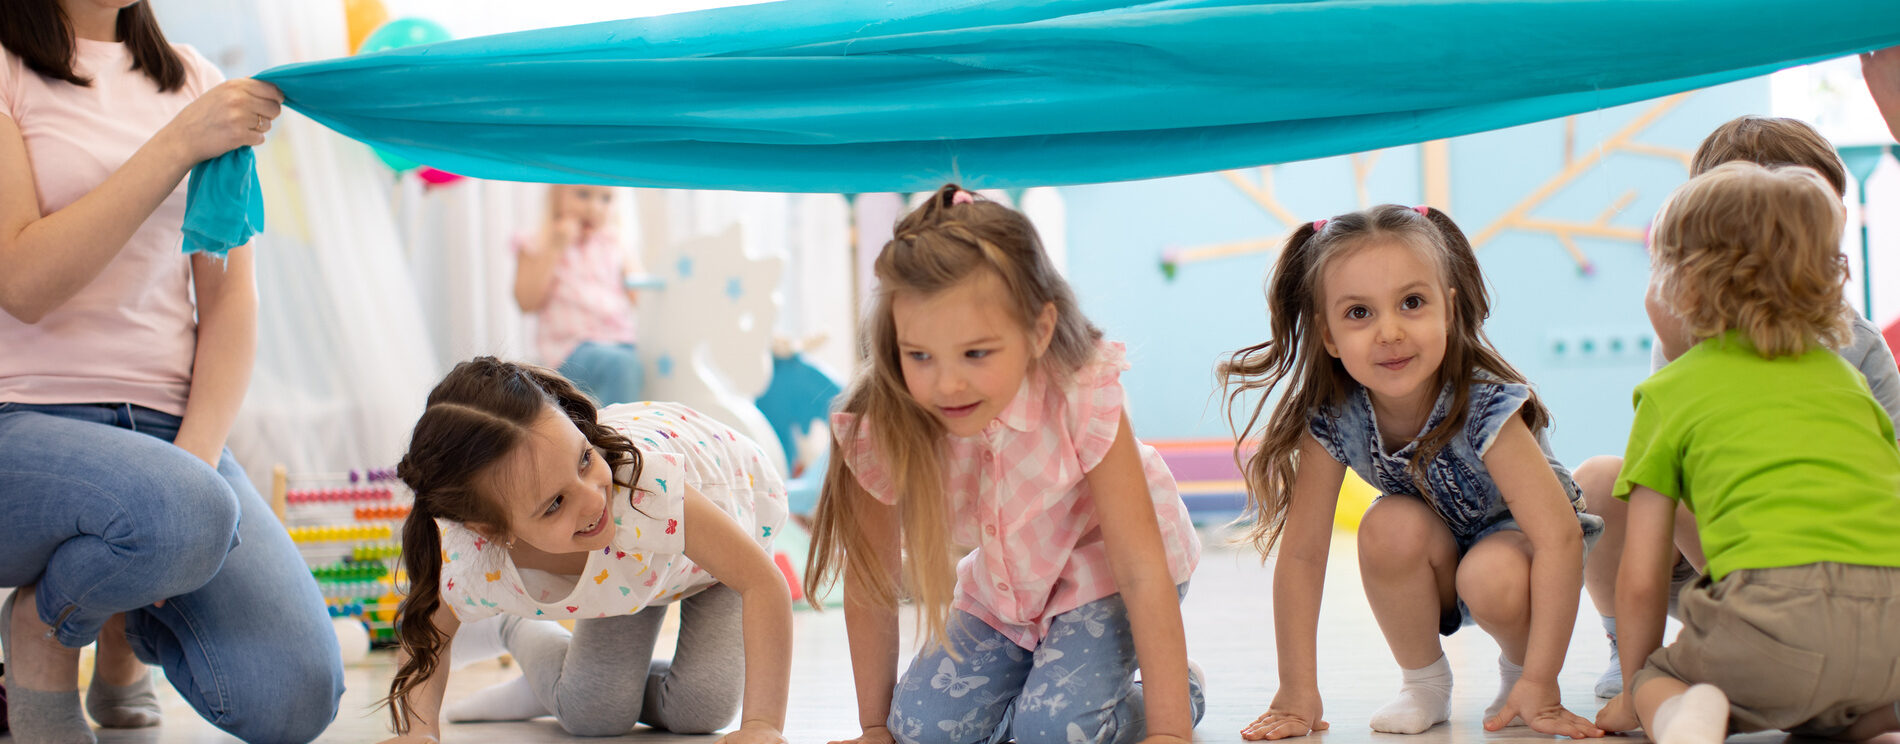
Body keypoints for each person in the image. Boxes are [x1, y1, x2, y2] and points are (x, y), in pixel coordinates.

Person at [0, 1, 342, 741]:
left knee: (296, 698)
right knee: (180, 509)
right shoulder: (4, 68)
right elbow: (22, 282)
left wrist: (191, 474)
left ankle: (124, 618)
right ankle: (45, 627)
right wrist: (179, 142)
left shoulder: (195, 80)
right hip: (18, 427)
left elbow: (229, 305)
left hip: (166, 439)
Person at [806, 185, 1204, 744]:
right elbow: (872, 583)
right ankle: (1051, 687)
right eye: (919, 355)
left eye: (976, 353)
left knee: (1051, 733)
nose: (947, 383)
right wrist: (875, 727)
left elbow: (1141, 569)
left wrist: (1170, 732)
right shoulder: (884, 423)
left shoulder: (1081, 393)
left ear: (1038, 331)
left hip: (1108, 575)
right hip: (1008, 585)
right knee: (920, 732)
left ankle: (1176, 692)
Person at [1224, 205, 1603, 740]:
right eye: (1359, 313)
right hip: (1438, 552)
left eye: (1412, 303)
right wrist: (1296, 690)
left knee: (1489, 574)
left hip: (1523, 554)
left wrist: (1542, 680)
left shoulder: (1486, 407)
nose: (1390, 331)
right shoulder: (1334, 419)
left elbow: (1560, 539)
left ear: (1447, 311)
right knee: (1386, 524)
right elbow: (1304, 553)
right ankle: (1424, 683)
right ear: (1328, 336)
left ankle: (1519, 674)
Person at [1575, 115, 1900, 699]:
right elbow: (1672, 477)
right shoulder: (1684, 344)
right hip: (1740, 564)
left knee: (1666, 689)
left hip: (1812, 562)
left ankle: (1700, 661)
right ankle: (1631, 642)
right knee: (1602, 482)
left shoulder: (1857, 346)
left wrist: (1637, 691)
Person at [379, 357, 793, 744]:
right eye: (555, 503)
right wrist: (419, 733)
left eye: (584, 460)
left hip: (724, 545)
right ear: (490, 530)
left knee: (700, 709)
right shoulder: (471, 554)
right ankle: (520, 635)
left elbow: (762, 582)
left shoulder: (638, 489)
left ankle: (554, 670)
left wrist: (762, 725)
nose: (594, 499)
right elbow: (427, 634)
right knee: (593, 713)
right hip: (625, 565)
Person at [514, 183, 645, 406]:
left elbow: (640, 296)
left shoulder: (614, 244)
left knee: (631, 361)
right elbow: (526, 302)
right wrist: (556, 247)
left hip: (620, 342)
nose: (594, 207)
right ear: (557, 195)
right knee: (622, 365)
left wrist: (624, 250)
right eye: (583, 194)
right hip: (570, 350)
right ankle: (616, 434)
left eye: (606, 198)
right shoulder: (538, 243)